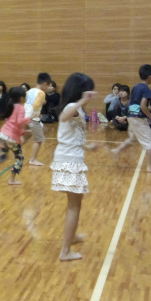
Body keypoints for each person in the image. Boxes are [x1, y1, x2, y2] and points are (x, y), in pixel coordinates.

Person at [50, 73, 99, 262]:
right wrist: (82, 101)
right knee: (74, 206)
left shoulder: (75, 108)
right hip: (69, 161)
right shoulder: (72, 107)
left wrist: (88, 147)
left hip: (70, 158)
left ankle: (72, 235)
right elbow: (63, 117)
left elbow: (72, 136)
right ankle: (65, 251)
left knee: (75, 204)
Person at [112, 65, 151, 172]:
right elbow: (143, 106)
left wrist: (126, 116)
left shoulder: (135, 87)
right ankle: (150, 167)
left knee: (133, 139)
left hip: (131, 117)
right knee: (150, 142)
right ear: (150, 77)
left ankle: (117, 151)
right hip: (138, 119)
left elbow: (134, 105)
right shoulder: (146, 89)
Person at [26, 72, 50, 166]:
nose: (48, 88)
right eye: (48, 86)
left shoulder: (30, 91)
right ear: (45, 84)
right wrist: (37, 113)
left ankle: (15, 151)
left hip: (25, 117)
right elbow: (36, 105)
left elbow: (27, 102)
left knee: (25, 137)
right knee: (39, 140)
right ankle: (33, 160)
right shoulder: (42, 93)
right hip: (33, 118)